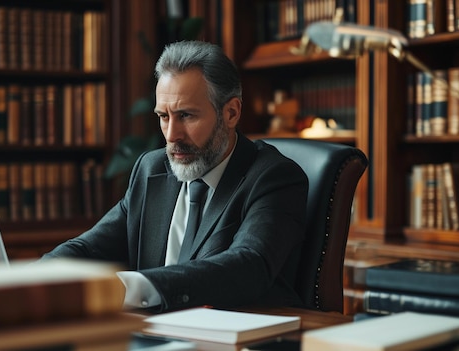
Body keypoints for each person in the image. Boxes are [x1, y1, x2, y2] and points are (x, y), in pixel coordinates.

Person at [42, 40, 308, 313]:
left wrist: (134, 288)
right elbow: (88, 249)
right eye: (164, 116)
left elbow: (249, 266)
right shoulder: (152, 169)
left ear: (231, 113)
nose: (171, 136)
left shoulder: (274, 177)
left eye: (186, 116)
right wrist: (30, 281)